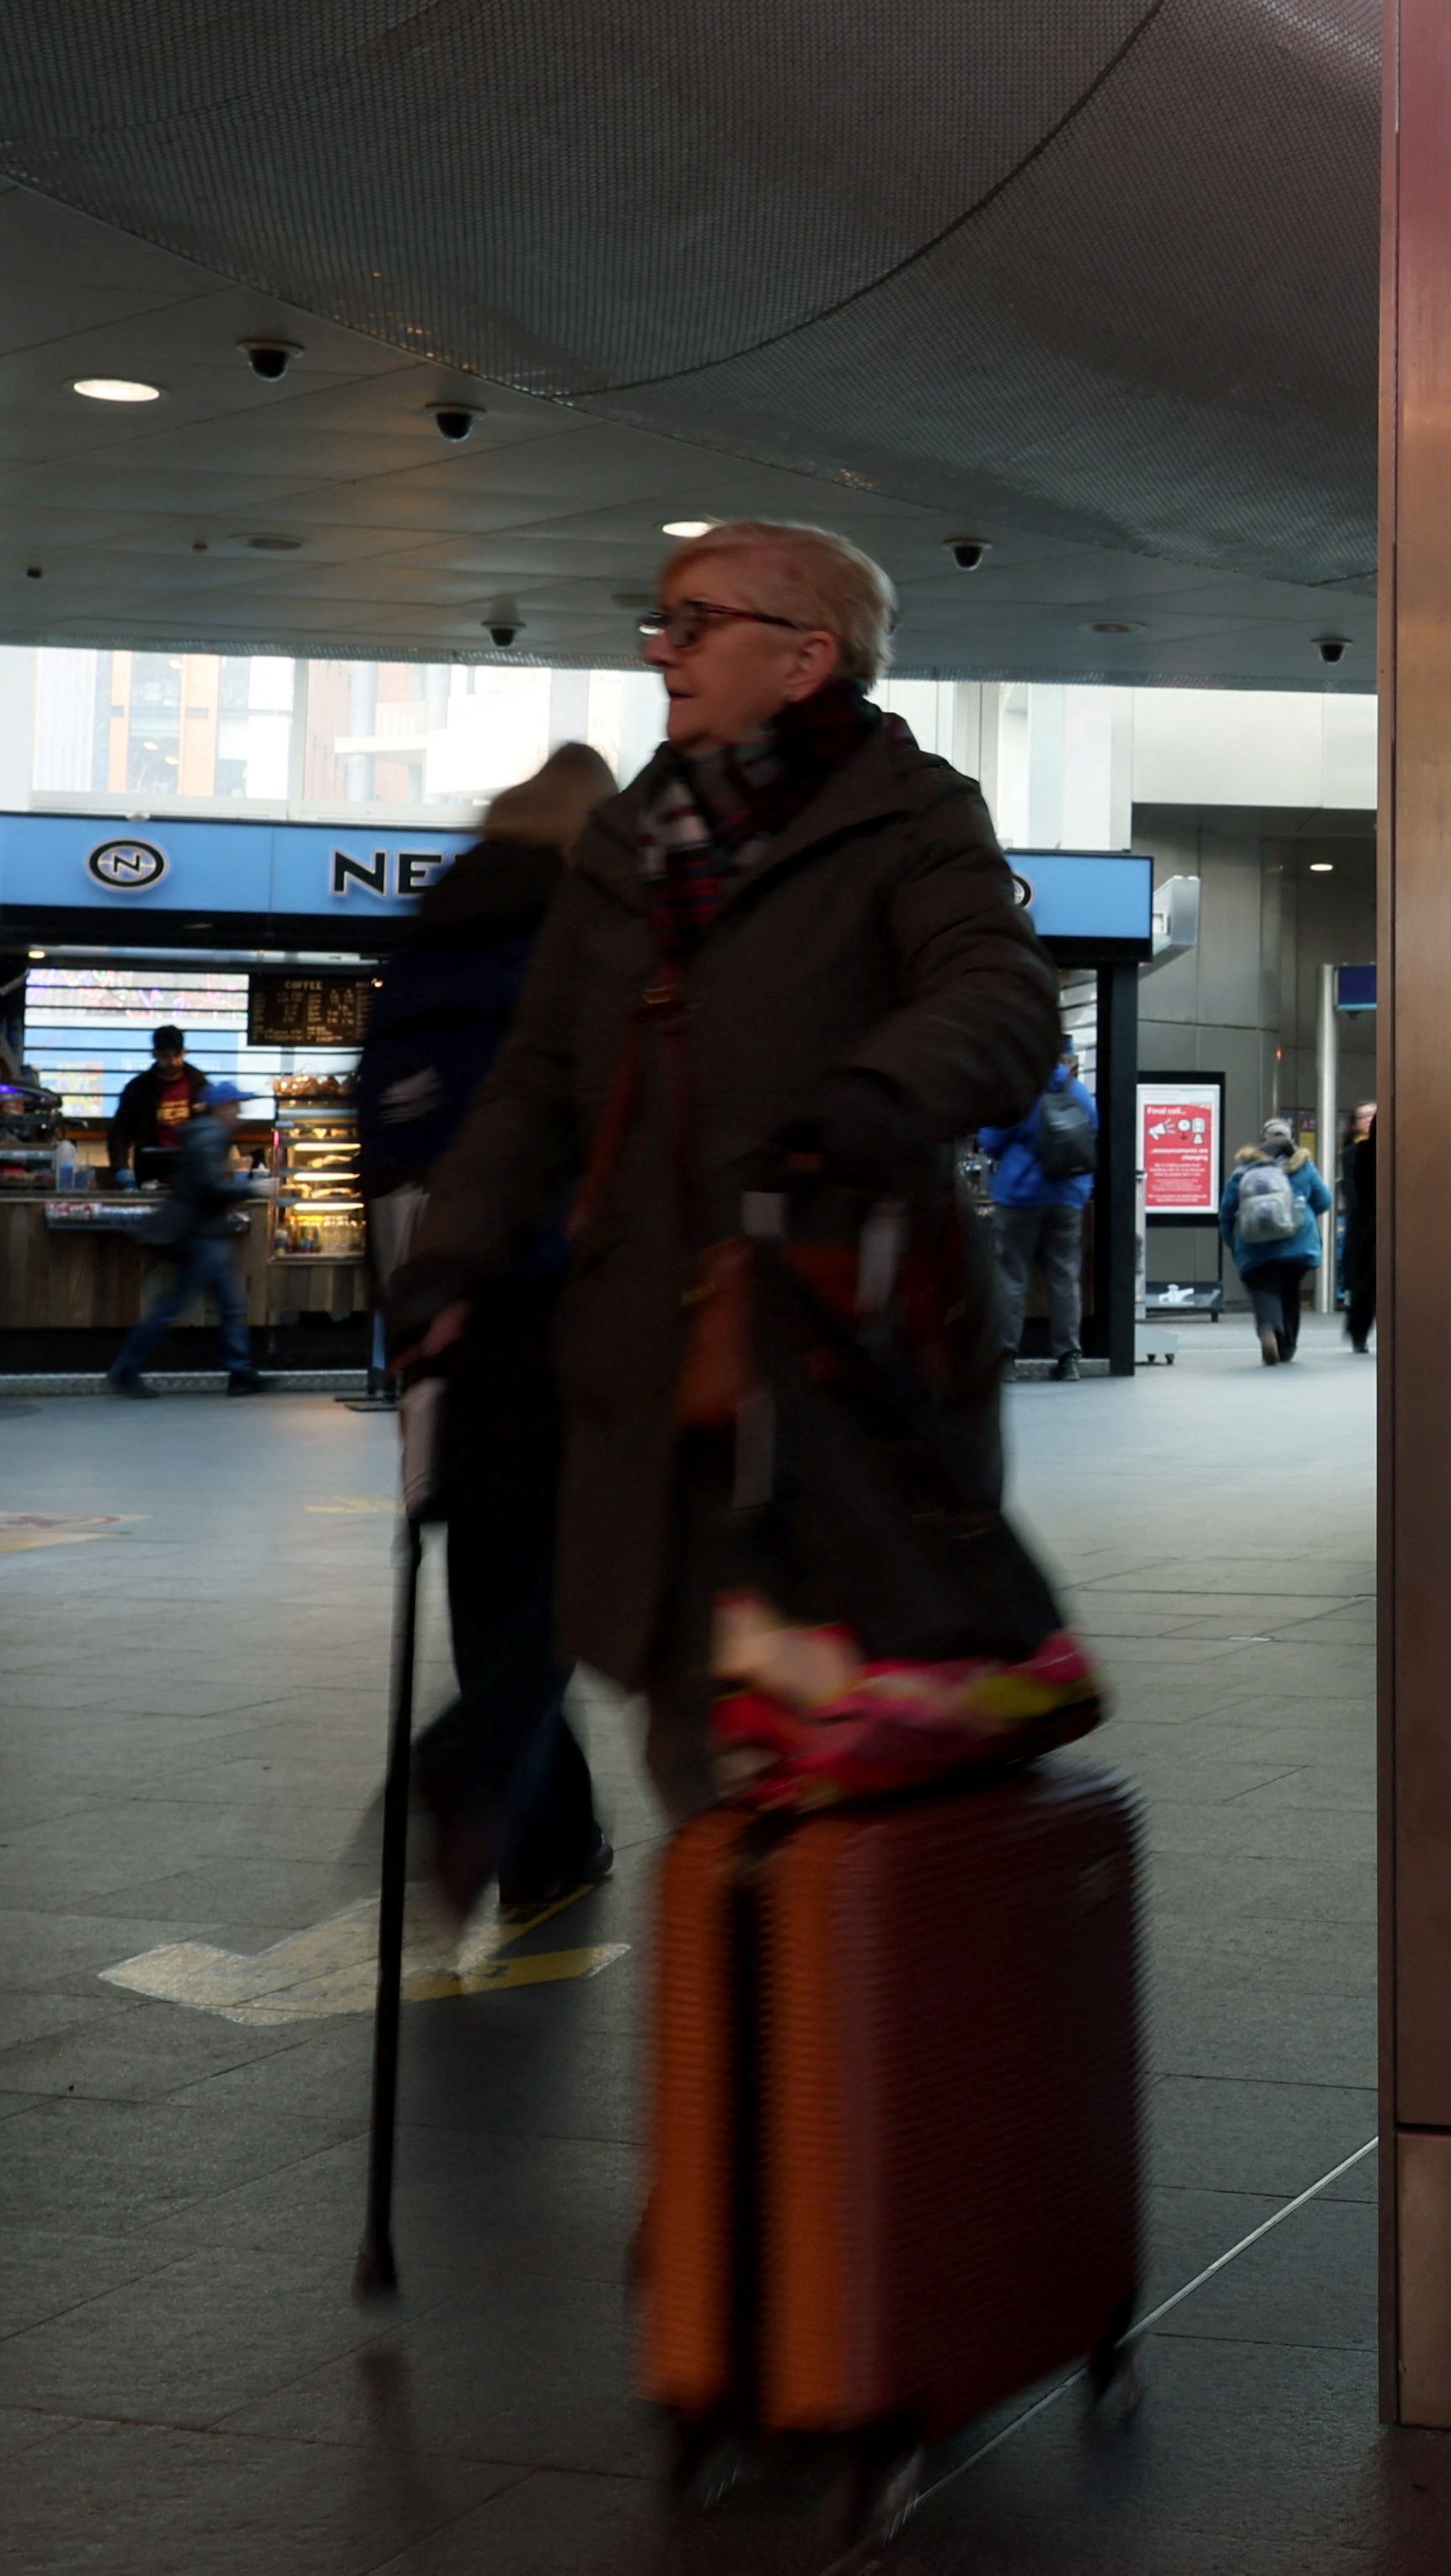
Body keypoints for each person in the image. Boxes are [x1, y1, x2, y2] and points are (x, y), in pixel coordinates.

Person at [388, 521, 1060, 1816]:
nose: (659, 649)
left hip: (839, 1334)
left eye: (695, 623)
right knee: (698, 1721)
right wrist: (455, 1246)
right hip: (659, 1359)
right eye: (658, 620)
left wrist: (877, 1091)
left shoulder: (912, 813)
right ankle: (749, 1993)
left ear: (807, 659)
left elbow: (1000, 992)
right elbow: (539, 1076)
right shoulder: (629, 840)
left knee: (866, 1717)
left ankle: (849, 1988)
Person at [356, 745, 618, 1921]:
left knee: (492, 1568)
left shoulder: (424, 945)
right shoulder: (585, 941)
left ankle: (550, 1844)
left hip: (442, 1301)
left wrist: (413, 1293)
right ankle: (467, 1766)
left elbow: (379, 1127)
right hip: (567, 1297)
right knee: (571, 1580)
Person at [109, 1078, 261, 1393]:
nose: (238, 1112)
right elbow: (209, 1188)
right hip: (202, 1235)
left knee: (215, 1306)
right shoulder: (210, 1138)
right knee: (187, 1307)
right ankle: (126, 1370)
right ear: (220, 1108)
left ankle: (241, 1373)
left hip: (201, 1233)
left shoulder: (205, 1135)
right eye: (234, 1105)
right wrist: (251, 1188)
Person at [975, 1055, 1102, 1380]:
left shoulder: (1018, 1090)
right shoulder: (1078, 1090)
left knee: (1012, 1277)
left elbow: (990, 1140)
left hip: (1019, 1196)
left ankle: (1005, 1359)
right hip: (1066, 1196)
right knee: (1064, 1276)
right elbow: (1092, 1131)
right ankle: (1068, 1358)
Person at [1224, 1119, 1331, 1363]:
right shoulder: (1303, 1167)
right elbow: (1324, 1201)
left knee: (1263, 1289)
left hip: (1254, 1246)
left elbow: (1227, 1210)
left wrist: (1234, 1242)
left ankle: (1268, 1329)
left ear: (1263, 1139)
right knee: (1290, 1292)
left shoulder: (1244, 1170)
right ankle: (1287, 1348)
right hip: (1297, 1244)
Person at [114, 1023, 206, 1178]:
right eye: (165, 1056)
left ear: (184, 1053)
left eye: (176, 1055)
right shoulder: (138, 1089)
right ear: (154, 1054)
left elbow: (213, 1129)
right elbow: (121, 1134)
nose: (172, 1062)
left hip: (192, 1169)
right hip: (150, 1168)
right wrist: (121, 1167)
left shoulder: (199, 1086)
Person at [1337, 1098, 1378, 1356]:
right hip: (1363, 1227)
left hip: (1386, 1226)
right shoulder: (1351, 1153)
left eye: (1374, 1116)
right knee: (1364, 1285)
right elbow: (1353, 1191)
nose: (1370, 1121)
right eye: (1364, 1116)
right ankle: (1358, 1333)